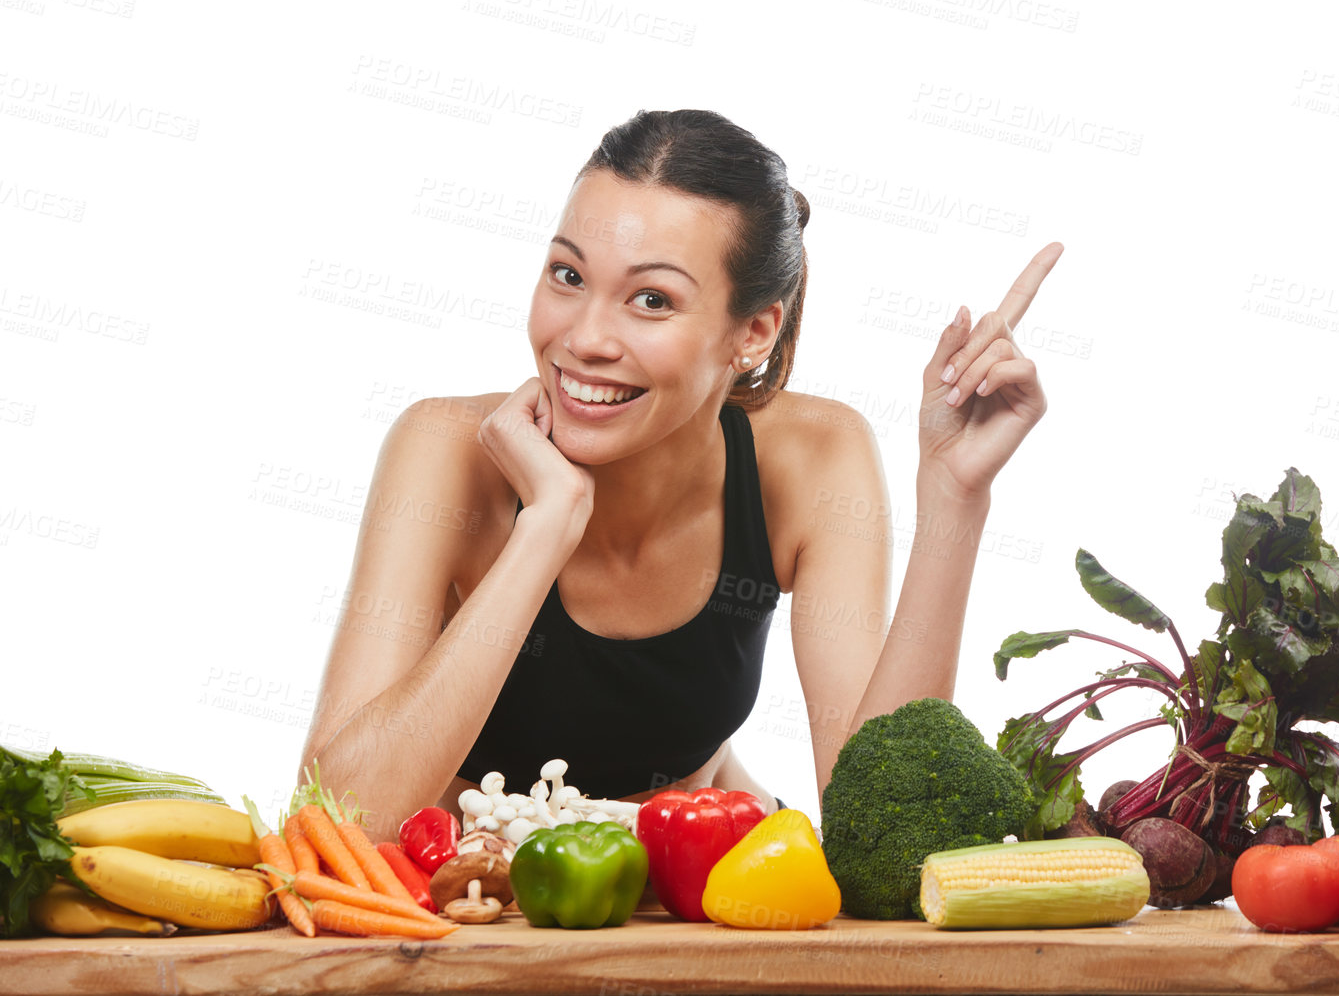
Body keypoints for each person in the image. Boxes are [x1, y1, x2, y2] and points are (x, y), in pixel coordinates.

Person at [299, 109, 1062, 836]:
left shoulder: (812, 456)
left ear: (755, 329)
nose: (585, 338)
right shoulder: (447, 449)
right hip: (480, 905)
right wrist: (546, 528)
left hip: (704, 898)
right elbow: (337, 820)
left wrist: (955, 498)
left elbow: (887, 822)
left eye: (652, 298)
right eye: (567, 276)